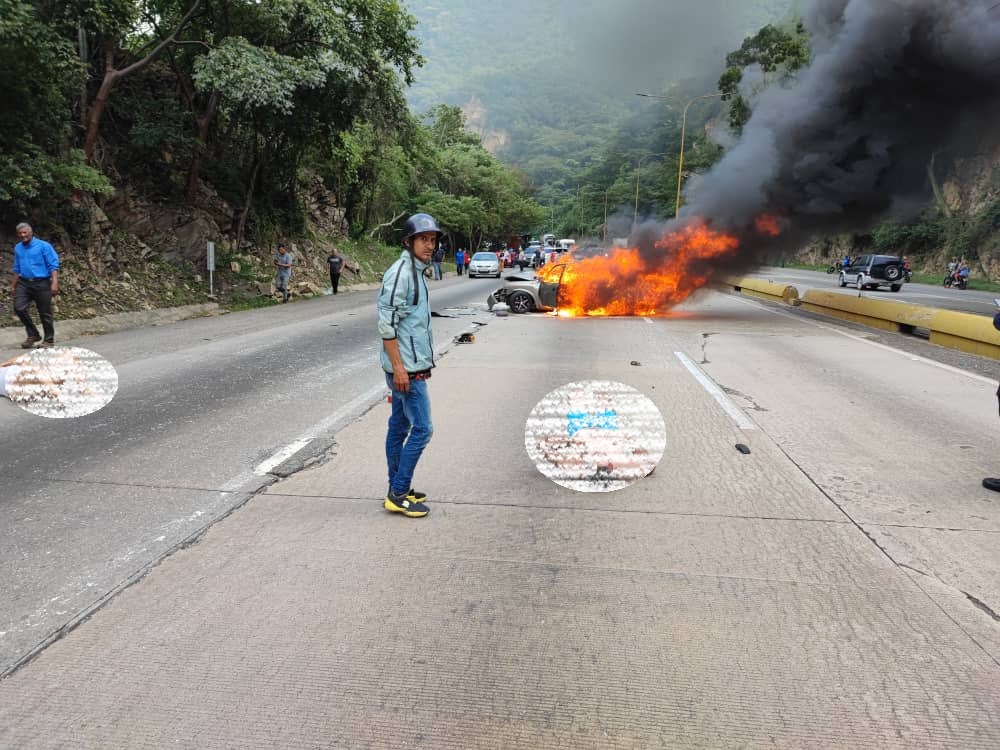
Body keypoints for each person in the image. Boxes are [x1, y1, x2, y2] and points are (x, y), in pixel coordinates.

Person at [377, 212, 441, 518]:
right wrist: (400, 368)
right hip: (406, 369)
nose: (429, 245)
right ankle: (399, 492)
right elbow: (387, 327)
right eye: (423, 239)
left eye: (432, 239)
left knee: (399, 426)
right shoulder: (401, 274)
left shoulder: (416, 271)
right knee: (423, 429)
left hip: (410, 364)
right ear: (409, 241)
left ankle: (397, 487)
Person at [11, 222, 60, 348]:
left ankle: (49, 340)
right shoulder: (18, 248)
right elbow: (17, 268)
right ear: (17, 234)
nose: (23, 235)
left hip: (41, 282)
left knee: (45, 312)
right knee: (19, 308)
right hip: (24, 282)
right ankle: (33, 334)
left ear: (31, 232)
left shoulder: (44, 246)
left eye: (25, 232)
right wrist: (13, 286)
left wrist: (54, 282)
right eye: (20, 233)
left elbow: (53, 265)